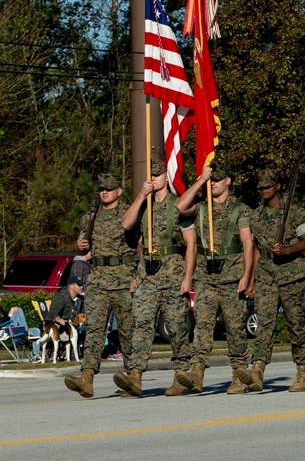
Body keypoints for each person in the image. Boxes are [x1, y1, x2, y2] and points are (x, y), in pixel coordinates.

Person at [118, 155, 197, 397]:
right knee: (142, 325)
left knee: (176, 326)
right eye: (150, 175)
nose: (154, 178)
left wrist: (188, 276)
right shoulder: (144, 205)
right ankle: (135, 376)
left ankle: (182, 374)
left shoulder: (179, 205)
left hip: (172, 271)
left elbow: (191, 244)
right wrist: (141, 195)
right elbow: (126, 224)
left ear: (166, 176)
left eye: (158, 174)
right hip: (147, 275)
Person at [178, 165, 256, 394]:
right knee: (202, 327)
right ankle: (197, 374)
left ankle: (240, 374)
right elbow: (181, 206)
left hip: (232, 277)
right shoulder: (202, 207)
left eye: (218, 180)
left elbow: (247, 244)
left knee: (235, 328)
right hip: (205, 278)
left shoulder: (240, 209)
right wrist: (201, 180)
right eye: (212, 180)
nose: (214, 184)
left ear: (229, 181)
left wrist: (247, 276)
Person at [65, 174, 139, 399]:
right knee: (94, 330)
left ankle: (133, 377)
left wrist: (140, 275)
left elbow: (143, 244)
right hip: (98, 278)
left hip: (124, 277)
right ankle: (86, 378)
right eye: (101, 189)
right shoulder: (90, 217)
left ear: (119, 190)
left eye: (109, 188)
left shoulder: (130, 213)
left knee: (127, 331)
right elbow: (83, 249)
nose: (104, 192)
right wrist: (80, 246)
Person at [248, 169, 305, 391]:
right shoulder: (255, 216)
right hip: (266, 274)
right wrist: (251, 278)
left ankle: (302, 372)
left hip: (292, 275)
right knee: (264, 324)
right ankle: (257, 370)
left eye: (268, 186)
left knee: (296, 324)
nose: (263, 190)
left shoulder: (295, 213)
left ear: (278, 186)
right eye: (260, 187)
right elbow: (256, 247)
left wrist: (288, 250)